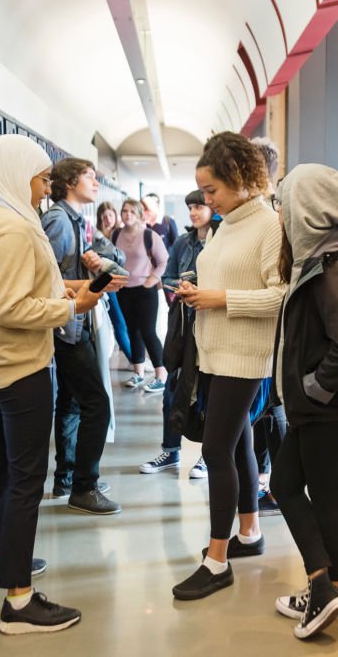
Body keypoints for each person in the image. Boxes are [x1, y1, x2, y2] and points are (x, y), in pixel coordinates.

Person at [0, 134, 101, 634]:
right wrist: (71, 307)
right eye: (42, 178)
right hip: (18, 367)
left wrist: (60, 288)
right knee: (27, 481)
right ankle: (18, 602)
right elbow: (11, 308)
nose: (46, 188)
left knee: (3, 462)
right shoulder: (15, 230)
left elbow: (8, 289)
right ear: (16, 173)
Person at [171, 132, 285, 600]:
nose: (206, 199)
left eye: (212, 190)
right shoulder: (226, 224)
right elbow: (225, 274)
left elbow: (280, 296)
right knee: (238, 443)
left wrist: (218, 297)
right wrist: (196, 285)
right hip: (215, 350)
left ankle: (216, 562)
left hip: (244, 355)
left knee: (215, 451)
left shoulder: (269, 225)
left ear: (239, 179)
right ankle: (249, 533)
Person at [271, 163, 338, 639]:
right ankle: (327, 589)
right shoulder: (319, 255)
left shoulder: (328, 266)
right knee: (290, 485)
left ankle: (325, 588)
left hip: (323, 407)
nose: (279, 212)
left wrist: (314, 386)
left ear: (302, 209)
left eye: (283, 202)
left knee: (309, 492)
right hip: (319, 407)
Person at [40, 158, 125, 515]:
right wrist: (86, 287)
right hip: (66, 329)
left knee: (73, 403)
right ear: (71, 181)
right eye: (90, 176)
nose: (96, 181)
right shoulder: (59, 221)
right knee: (97, 404)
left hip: (73, 325)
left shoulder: (74, 220)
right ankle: (84, 487)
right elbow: (44, 279)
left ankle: (68, 478)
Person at [139, 190, 218, 478]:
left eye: (199, 206)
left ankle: (207, 457)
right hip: (183, 326)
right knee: (173, 387)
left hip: (212, 327)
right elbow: (169, 276)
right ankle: (171, 452)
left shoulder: (220, 241)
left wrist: (201, 288)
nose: (194, 212)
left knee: (207, 394)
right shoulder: (184, 243)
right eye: (190, 208)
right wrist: (181, 288)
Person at [249, 136, 287, 516]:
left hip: (273, 330)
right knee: (269, 406)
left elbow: (276, 289)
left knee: (273, 405)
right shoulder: (272, 211)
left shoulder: (273, 216)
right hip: (269, 332)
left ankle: (280, 485)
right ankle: (272, 481)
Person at [113, 198, 169, 393]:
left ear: (139, 215)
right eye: (124, 211)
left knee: (147, 331)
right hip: (124, 290)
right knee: (132, 331)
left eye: (131, 212)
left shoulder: (149, 235)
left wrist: (151, 280)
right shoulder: (116, 234)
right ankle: (138, 373)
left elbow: (163, 261)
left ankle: (161, 375)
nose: (127, 215)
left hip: (146, 291)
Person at [94, 200, 132, 359]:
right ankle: (134, 359)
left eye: (110, 215)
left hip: (126, 283)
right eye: (104, 216)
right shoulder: (98, 238)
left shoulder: (122, 234)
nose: (107, 219)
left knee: (129, 323)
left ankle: (137, 360)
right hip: (108, 283)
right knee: (119, 323)